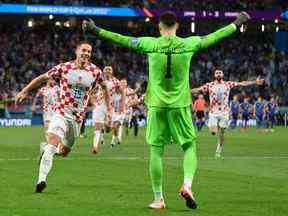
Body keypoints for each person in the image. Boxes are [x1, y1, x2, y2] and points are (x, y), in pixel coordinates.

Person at [82, 11, 251, 209]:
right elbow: (216, 36)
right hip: (180, 105)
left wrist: (95, 30)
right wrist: (237, 22)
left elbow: (121, 39)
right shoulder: (190, 43)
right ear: (177, 26)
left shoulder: (150, 44)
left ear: (160, 27)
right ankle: (187, 184)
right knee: (189, 146)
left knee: (156, 151)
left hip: (157, 106)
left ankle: (158, 198)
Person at [16, 41, 111, 193]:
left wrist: (109, 108)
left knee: (64, 152)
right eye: (84, 50)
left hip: (78, 118)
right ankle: (41, 180)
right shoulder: (64, 68)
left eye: (89, 52)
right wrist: (25, 91)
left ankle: (44, 149)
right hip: (61, 112)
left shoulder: (95, 72)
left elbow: (105, 88)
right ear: (77, 51)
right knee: (53, 141)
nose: (86, 54)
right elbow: (42, 77)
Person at [191, 69, 264, 159]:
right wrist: (186, 91)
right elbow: (197, 89)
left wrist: (255, 82)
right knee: (213, 132)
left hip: (224, 112)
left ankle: (218, 152)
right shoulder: (209, 85)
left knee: (221, 133)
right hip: (213, 112)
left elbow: (242, 83)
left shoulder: (228, 84)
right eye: (217, 73)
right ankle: (216, 128)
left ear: (222, 75)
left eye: (220, 73)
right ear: (214, 75)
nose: (218, 74)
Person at [32, 79, 60, 157]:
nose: (54, 81)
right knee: (47, 130)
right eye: (52, 80)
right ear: (48, 80)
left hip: (56, 112)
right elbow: (36, 97)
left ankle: (49, 147)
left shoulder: (57, 88)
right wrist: (34, 106)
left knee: (56, 130)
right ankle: (50, 148)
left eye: (54, 80)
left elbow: (61, 96)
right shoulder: (43, 89)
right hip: (47, 112)